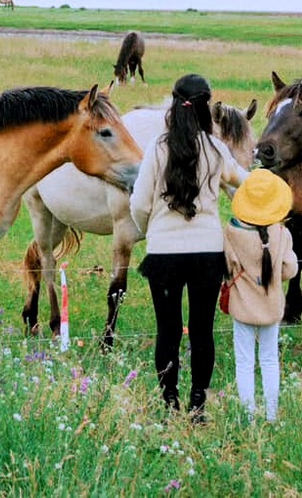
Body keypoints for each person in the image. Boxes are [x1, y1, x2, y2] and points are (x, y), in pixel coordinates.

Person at [129, 73, 246, 418]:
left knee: (167, 331)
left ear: (174, 105)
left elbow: (139, 201)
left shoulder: (157, 148)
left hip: (163, 254)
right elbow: (244, 183)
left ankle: (169, 403)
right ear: (205, 108)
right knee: (202, 330)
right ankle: (198, 404)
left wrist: (149, 229)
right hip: (207, 254)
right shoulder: (216, 149)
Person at [222, 168, 299, 421]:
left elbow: (227, 267)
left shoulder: (230, 233)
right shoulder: (282, 234)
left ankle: (248, 416)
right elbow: (289, 269)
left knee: (244, 362)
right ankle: (272, 414)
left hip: (242, 309)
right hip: (271, 307)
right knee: (269, 359)